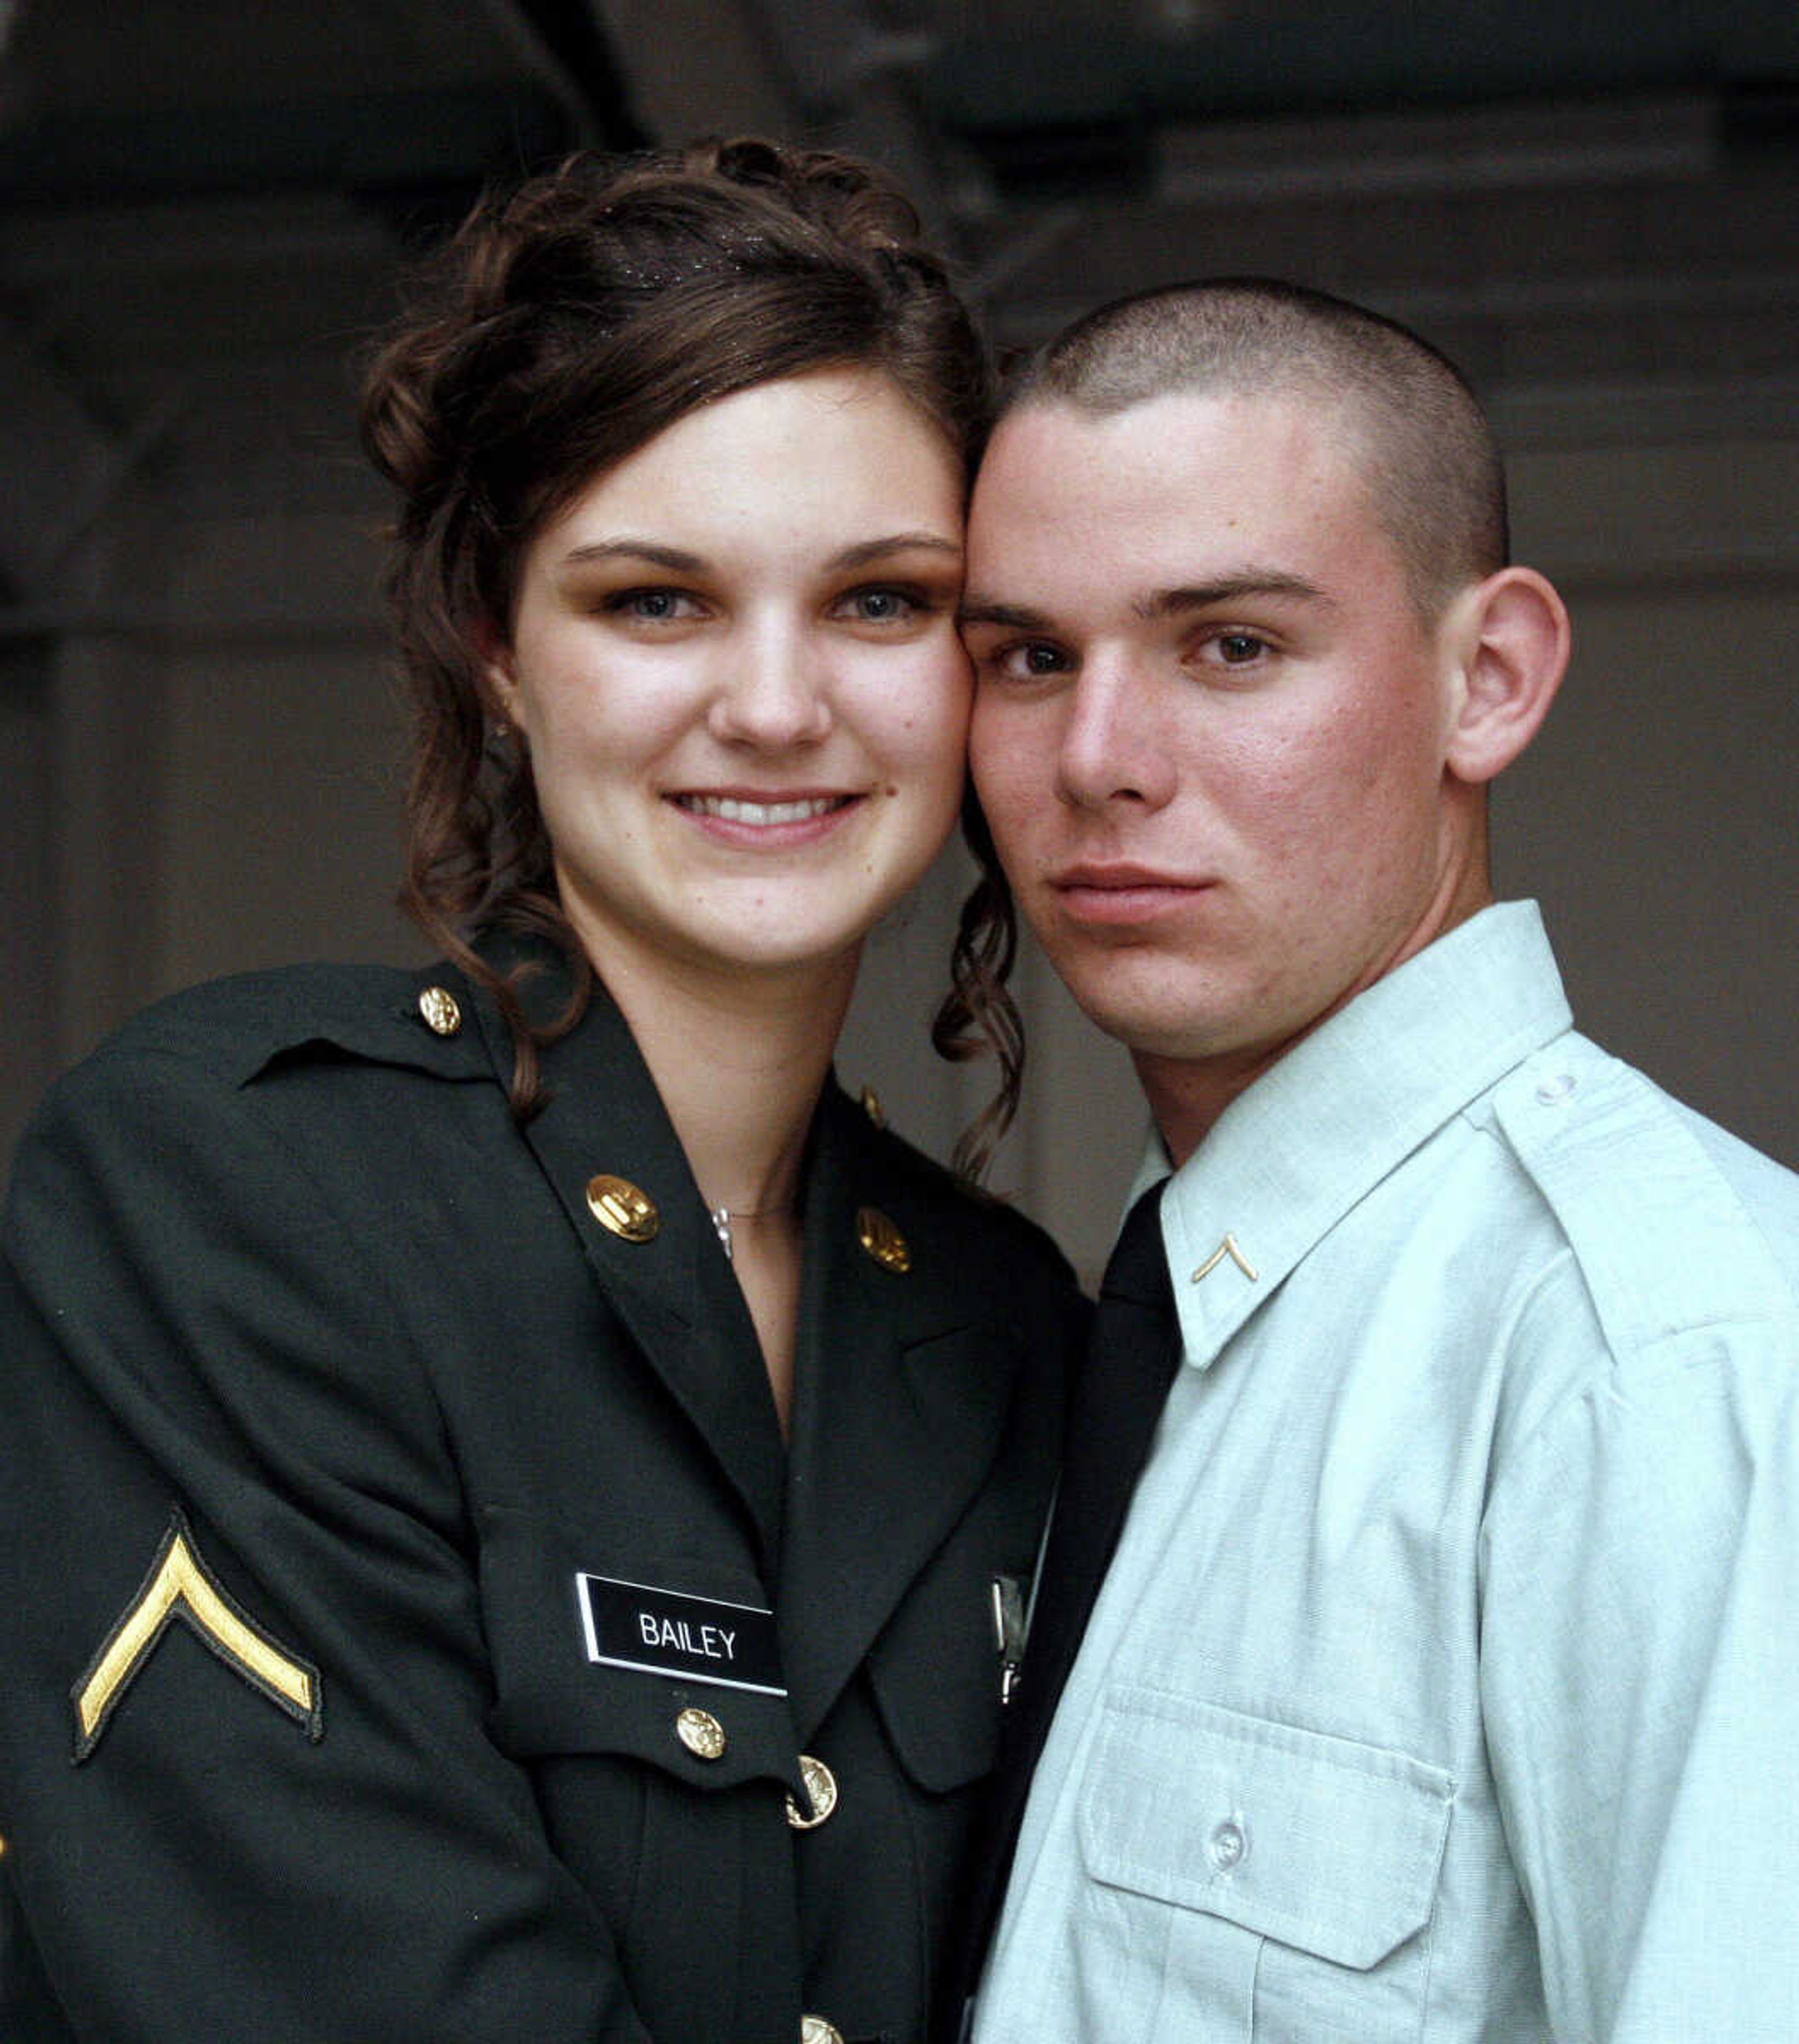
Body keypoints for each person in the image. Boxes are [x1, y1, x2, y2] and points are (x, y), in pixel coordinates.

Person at [0, 138, 1084, 2044]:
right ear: (499, 650)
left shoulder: (1007, 1331)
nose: (772, 702)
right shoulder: (227, 1189)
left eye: (881, 601)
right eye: (655, 600)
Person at [944, 279, 1799, 2041]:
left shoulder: (1661, 1350)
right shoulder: (1109, 1328)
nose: (1096, 760)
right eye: (1029, 656)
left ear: (1486, 680)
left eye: (1230, 645)